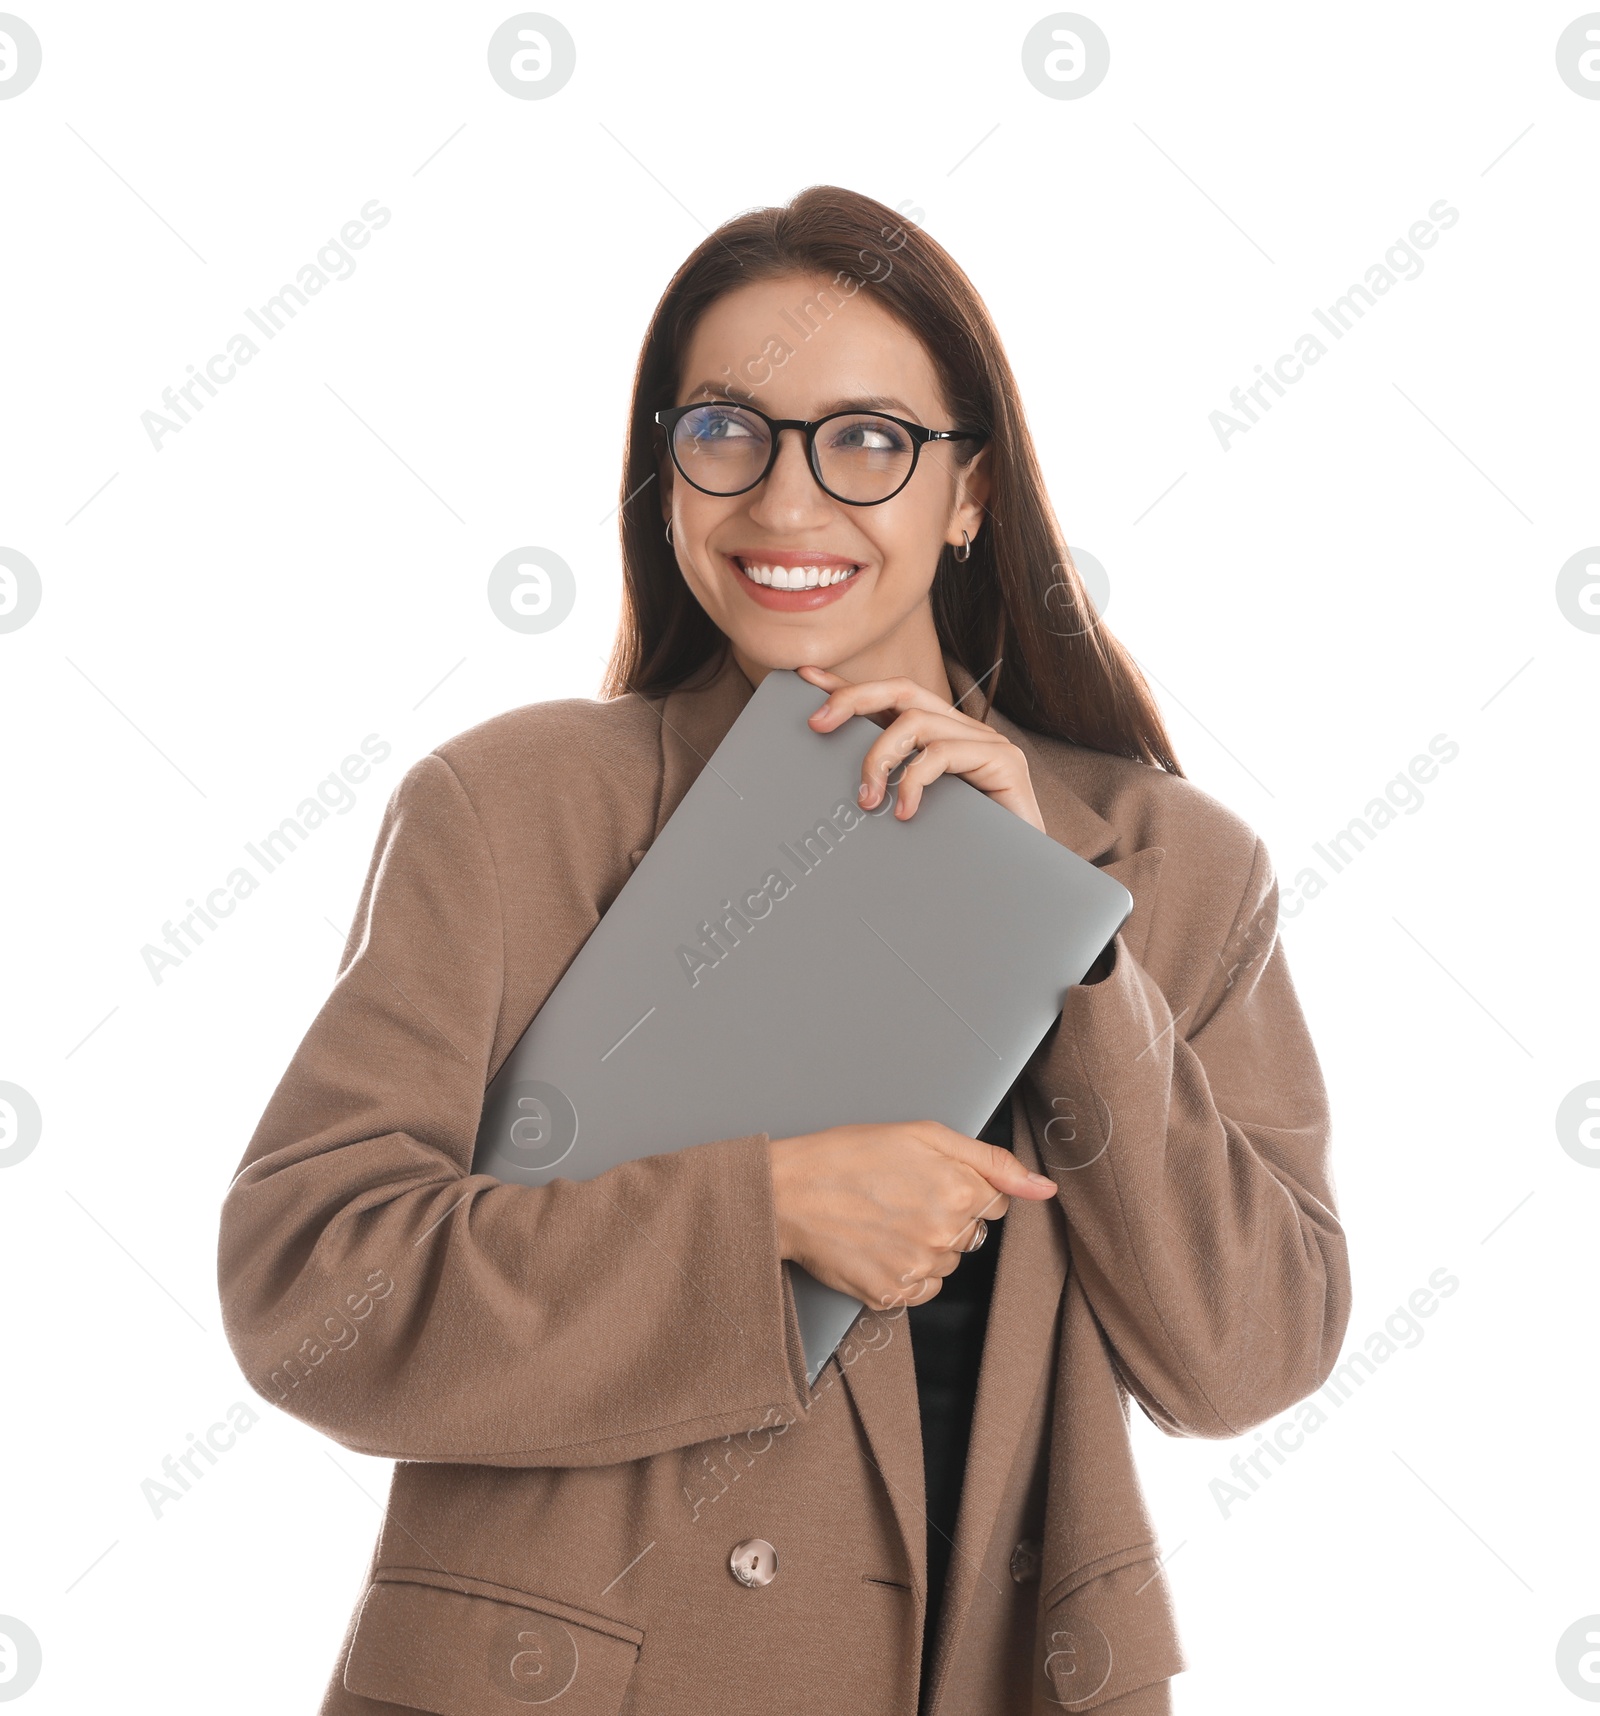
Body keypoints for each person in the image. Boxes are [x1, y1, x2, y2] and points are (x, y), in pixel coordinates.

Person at [218, 184, 1351, 1716]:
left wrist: (1071, 955)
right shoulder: (513, 808)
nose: (786, 504)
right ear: (664, 474)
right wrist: (759, 1214)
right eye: (726, 432)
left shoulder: (1170, 870)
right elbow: (308, 1296)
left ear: (972, 497)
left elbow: (1251, 1360)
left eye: (869, 440)